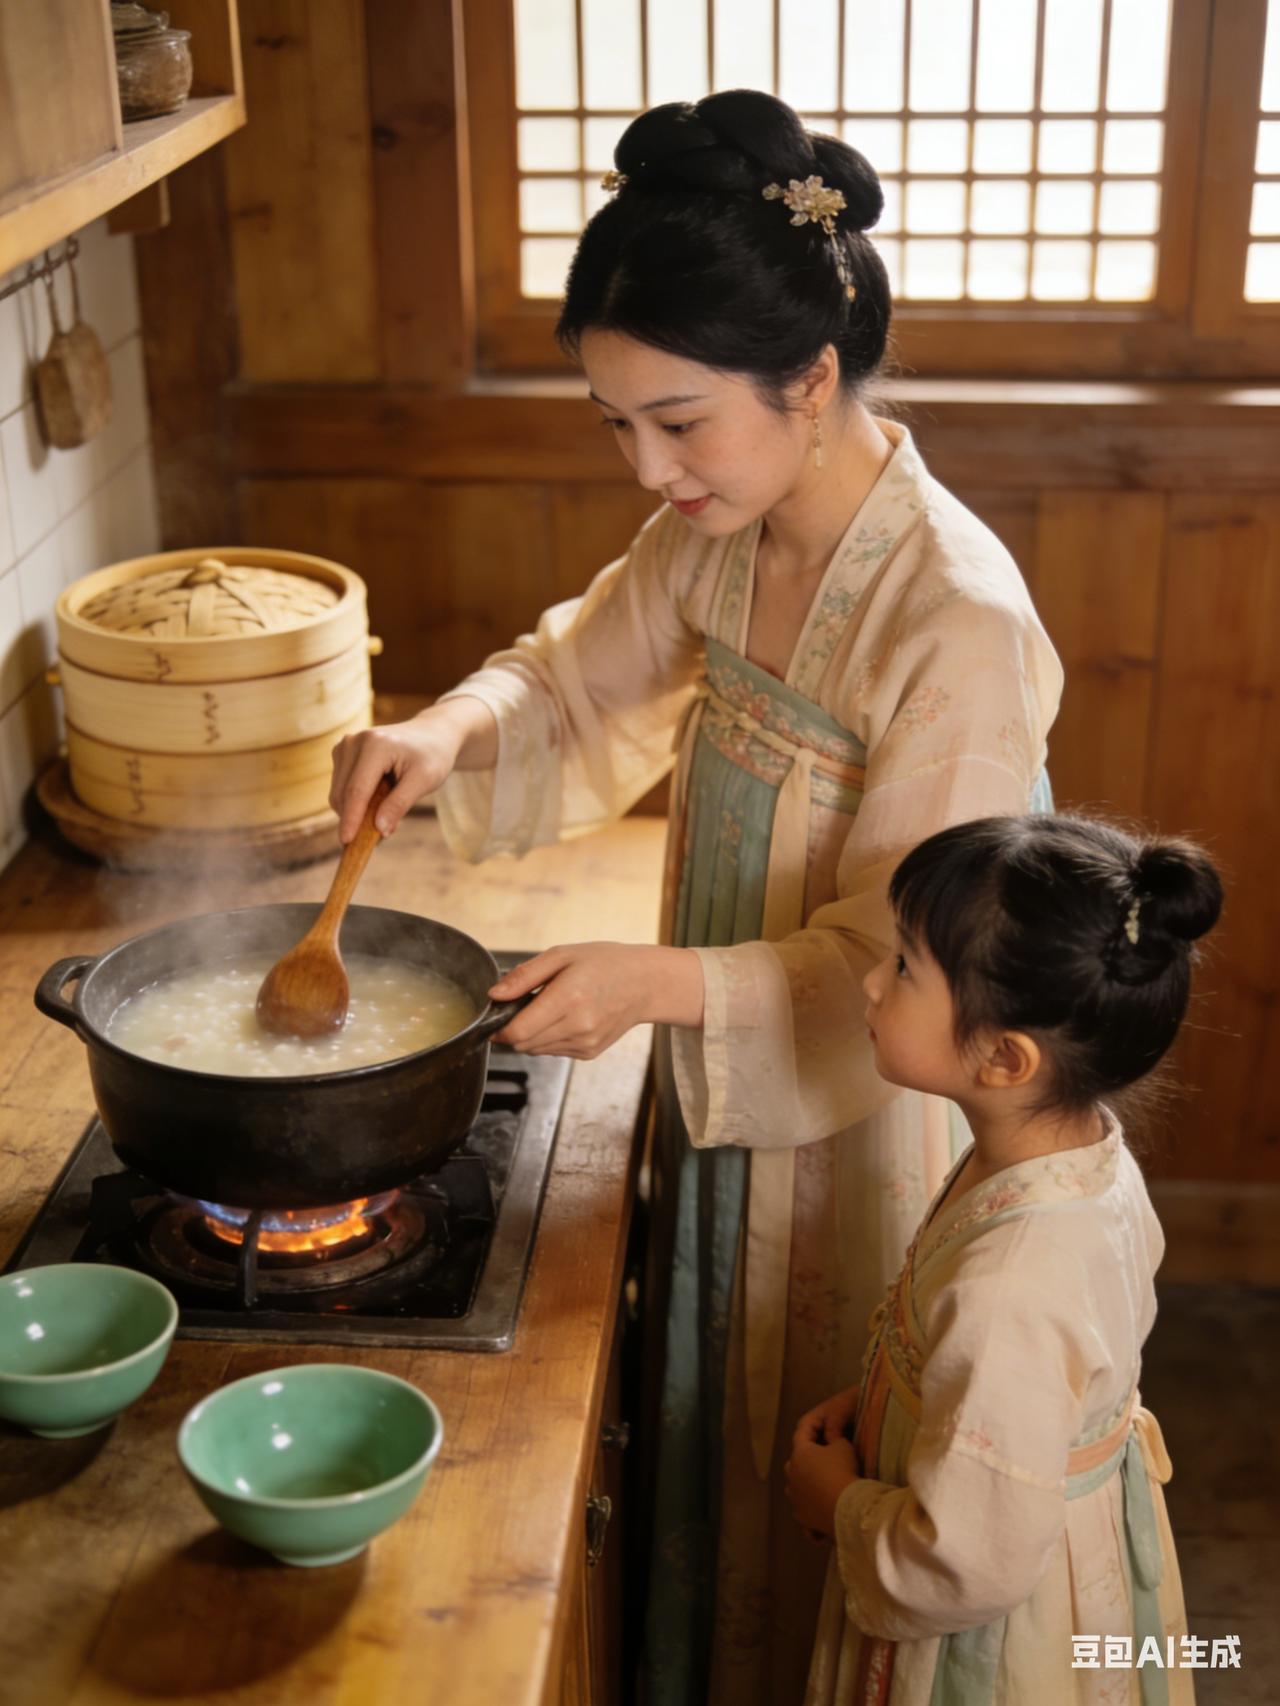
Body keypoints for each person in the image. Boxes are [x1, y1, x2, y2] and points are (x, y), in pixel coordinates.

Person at [329, 90, 1063, 1706]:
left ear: (813, 378)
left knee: (815, 1431)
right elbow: (574, 674)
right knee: (714, 1402)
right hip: (724, 1062)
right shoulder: (728, 531)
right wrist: (441, 733)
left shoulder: (955, 617)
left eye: (680, 421)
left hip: (864, 1114)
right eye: (616, 426)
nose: (650, 468)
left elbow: (916, 964)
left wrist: (654, 986)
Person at [786, 813, 1222, 1706]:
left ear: (1003, 1057)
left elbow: (965, 1565)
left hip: (997, 1639)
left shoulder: (1013, 1281)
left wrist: (838, 1506)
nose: (871, 981)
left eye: (903, 966)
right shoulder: (1078, 1155)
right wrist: (892, 1398)